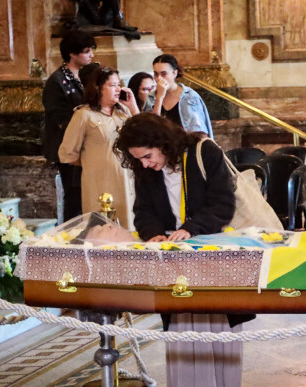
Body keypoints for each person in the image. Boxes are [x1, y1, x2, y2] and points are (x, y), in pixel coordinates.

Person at [113, 112, 249, 387]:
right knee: (181, 333)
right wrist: (154, 235)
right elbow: (143, 211)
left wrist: (192, 227)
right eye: (138, 159)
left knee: (218, 331)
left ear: (163, 143)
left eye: (148, 156)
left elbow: (223, 204)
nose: (145, 164)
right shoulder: (145, 169)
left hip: (212, 257)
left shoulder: (203, 151)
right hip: (176, 263)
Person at [58, 67, 139, 229]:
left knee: (130, 226)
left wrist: (133, 106)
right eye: (112, 85)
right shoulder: (84, 115)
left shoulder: (122, 112)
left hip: (128, 181)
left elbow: (144, 135)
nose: (118, 89)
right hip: (101, 183)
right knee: (103, 230)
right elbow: (67, 153)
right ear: (98, 88)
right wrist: (94, 161)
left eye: (119, 84)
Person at [43, 30, 96, 222]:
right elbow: (59, 118)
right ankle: (72, 237)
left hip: (90, 145)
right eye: (86, 51)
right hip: (69, 147)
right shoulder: (57, 81)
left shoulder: (91, 75)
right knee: (74, 193)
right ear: (72, 54)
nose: (91, 55)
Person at [152, 54, 213, 138]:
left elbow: (200, 132)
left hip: (185, 147)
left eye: (164, 74)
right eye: (156, 74)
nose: (159, 79)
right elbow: (151, 128)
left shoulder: (189, 97)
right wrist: (159, 98)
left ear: (175, 73)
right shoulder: (151, 97)